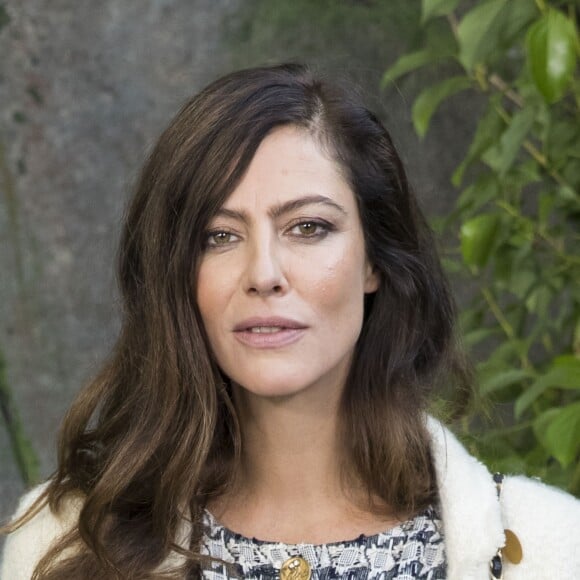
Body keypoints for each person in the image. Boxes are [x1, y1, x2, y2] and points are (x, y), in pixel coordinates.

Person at [1, 63, 579, 580]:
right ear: (179, 275)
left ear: (374, 258)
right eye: (219, 236)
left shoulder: (555, 548)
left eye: (307, 227)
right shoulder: (63, 546)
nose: (264, 273)